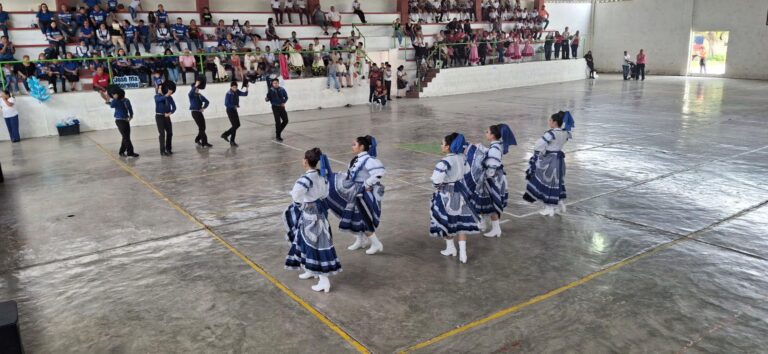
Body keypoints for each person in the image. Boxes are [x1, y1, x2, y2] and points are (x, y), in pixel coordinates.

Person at [283, 148, 340, 292]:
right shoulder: (322, 176)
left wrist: (302, 205)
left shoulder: (305, 179)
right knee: (304, 241)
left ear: (306, 161)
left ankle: (324, 281)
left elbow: (296, 195)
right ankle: (310, 270)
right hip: (320, 211)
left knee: (314, 244)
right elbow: (325, 193)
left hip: (311, 214)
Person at [326, 135, 386, 255]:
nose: (352, 146)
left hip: (363, 193)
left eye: (354, 144)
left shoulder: (369, 160)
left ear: (362, 146)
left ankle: (376, 243)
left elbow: (379, 173)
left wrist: (367, 183)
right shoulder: (356, 159)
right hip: (354, 191)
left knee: (364, 218)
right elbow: (351, 175)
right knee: (355, 217)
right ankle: (361, 239)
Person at [430, 133, 478, 263]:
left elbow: (436, 180)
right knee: (461, 223)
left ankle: (450, 248)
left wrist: (441, 184)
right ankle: (463, 253)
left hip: (446, 194)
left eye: (442, 143)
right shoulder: (462, 158)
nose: (441, 145)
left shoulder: (444, 162)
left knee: (446, 221)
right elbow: (467, 171)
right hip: (461, 193)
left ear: (448, 146)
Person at [464, 124, 516, 238]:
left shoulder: (495, 149)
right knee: (486, 203)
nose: (485, 133)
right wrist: (477, 147)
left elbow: (492, 167)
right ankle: (486, 225)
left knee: (491, 205)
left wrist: (484, 177)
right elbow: (489, 152)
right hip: (495, 179)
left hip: (493, 180)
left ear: (493, 135)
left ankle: (496, 229)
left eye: (487, 132)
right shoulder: (497, 145)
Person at [523, 111, 573, 216]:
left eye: (550, 120)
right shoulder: (565, 133)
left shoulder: (551, 133)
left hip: (550, 161)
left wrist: (540, 154)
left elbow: (538, 145)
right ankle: (560, 203)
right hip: (559, 161)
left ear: (555, 122)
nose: (549, 122)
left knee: (547, 183)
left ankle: (549, 208)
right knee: (557, 182)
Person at [101, 88, 138, 157]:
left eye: (114, 94)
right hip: (119, 121)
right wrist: (110, 100)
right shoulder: (116, 101)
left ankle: (121, 152)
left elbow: (130, 108)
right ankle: (130, 152)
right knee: (126, 137)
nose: (113, 95)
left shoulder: (125, 100)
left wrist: (131, 116)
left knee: (126, 137)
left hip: (126, 120)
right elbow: (112, 105)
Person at [221, 81, 248, 146]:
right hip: (230, 110)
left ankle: (226, 136)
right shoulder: (228, 93)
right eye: (233, 87)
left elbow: (245, 94)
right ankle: (230, 140)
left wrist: (247, 88)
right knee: (235, 125)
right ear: (231, 87)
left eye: (236, 87)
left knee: (237, 125)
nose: (235, 88)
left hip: (234, 110)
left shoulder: (237, 91)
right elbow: (226, 104)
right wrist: (234, 106)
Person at [154, 83, 176, 156]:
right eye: (159, 88)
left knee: (170, 133)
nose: (160, 89)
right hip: (159, 117)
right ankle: (162, 151)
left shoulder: (169, 97)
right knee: (162, 134)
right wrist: (167, 94)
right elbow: (159, 100)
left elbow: (174, 107)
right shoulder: (156, 96)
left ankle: (168, 149)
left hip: (167, 117)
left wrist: (170, 113)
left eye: (161, 88)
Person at [189, 79, 211, 147]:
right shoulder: (191, 95)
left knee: (203, 128)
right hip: (195, 113)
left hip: (199, 112)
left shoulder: (199, 95)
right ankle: (205, 142)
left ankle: (197, 139)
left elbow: (207, 101)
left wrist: (203, 108)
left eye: (198, 87)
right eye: (196, 87)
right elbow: (191, 92)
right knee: (201, 128)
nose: (198, 89)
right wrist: (195, 85)